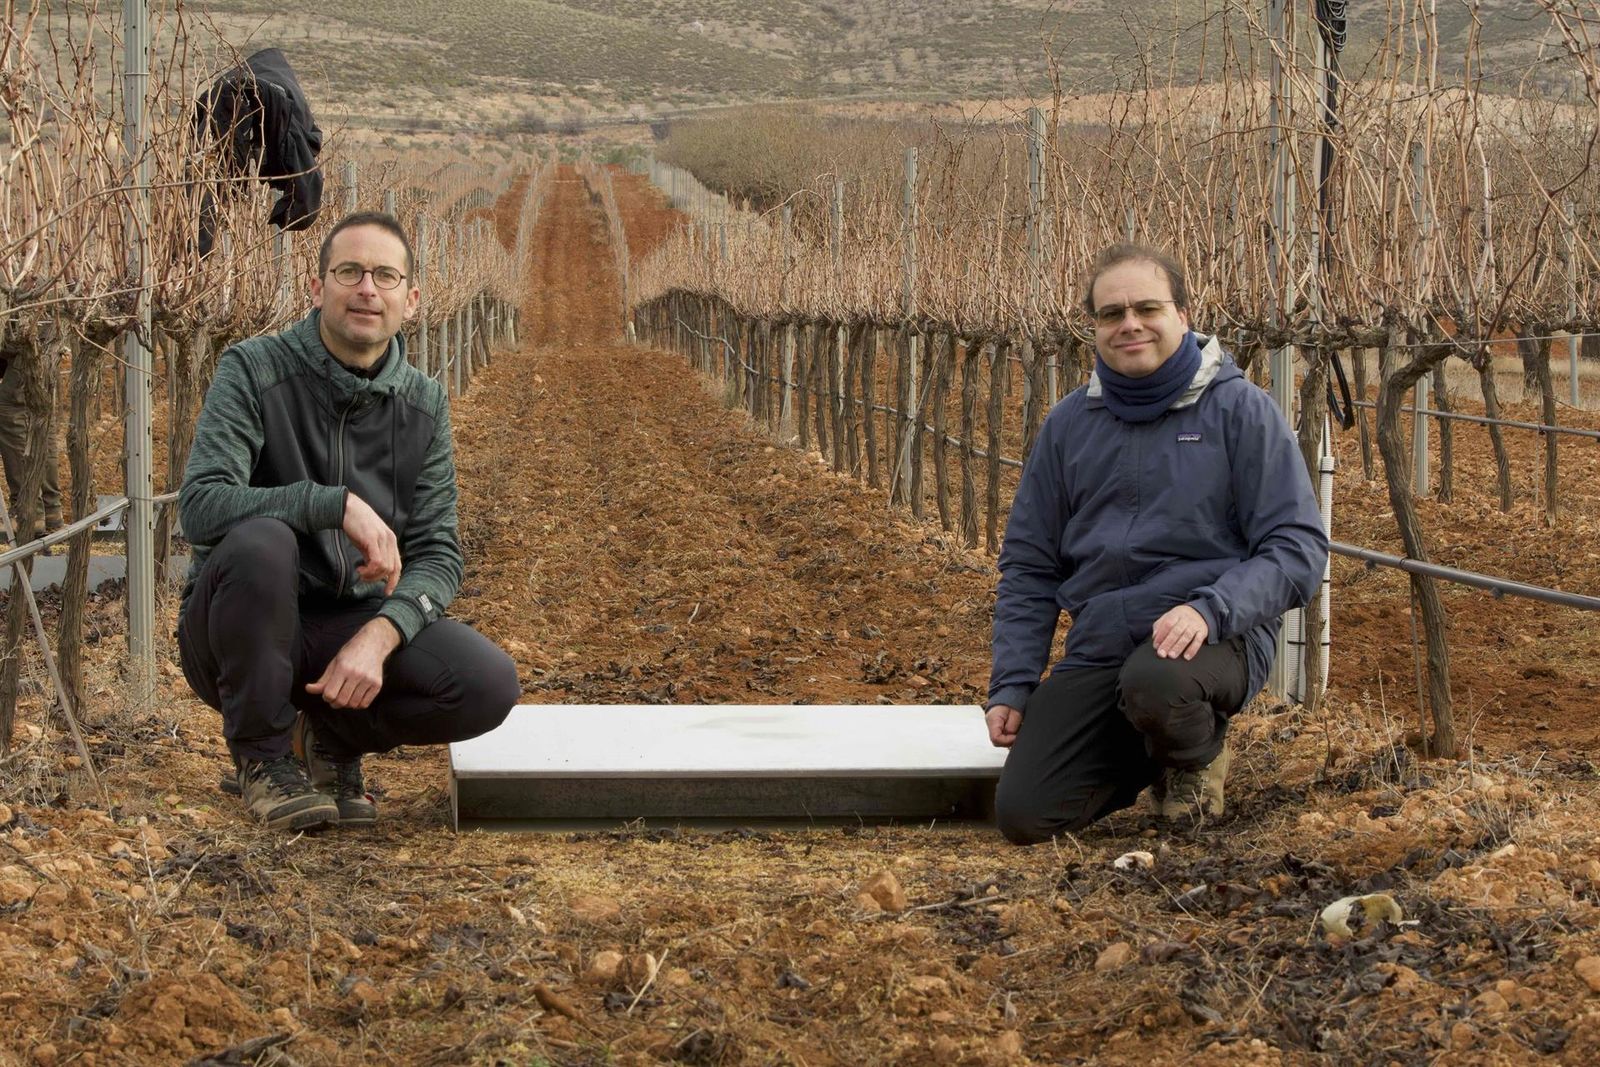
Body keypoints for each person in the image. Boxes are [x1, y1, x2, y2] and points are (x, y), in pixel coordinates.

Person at [178, 211, 519, 832]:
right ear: (317, 288)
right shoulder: (253, 369)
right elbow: (201, 505)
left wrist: (383, 633)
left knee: (486, 683)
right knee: (263, 541)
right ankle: (263, 760)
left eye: (386, 276)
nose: (368, 289)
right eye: (350, 272)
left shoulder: (424, 403)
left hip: (348, 625)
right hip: (243, 626)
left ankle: (330, 740)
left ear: (410, 300)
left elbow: (439, 552)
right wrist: (332, 504)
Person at [986, 244, 1327, 844]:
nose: (1130, 324)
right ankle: (1154, 742)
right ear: (1093, 327)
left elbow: (1296, 547)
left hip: (1214, 635)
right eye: (1111, 314)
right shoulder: (1069, 426)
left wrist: (1212, 608)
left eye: (1147, 308)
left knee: (1158, 682)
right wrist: (1013, 683)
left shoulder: (1240, 411)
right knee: (1025, 814)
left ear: (1184, 315)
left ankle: (1194, 758)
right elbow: (1030, 564)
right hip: (1104, 639)